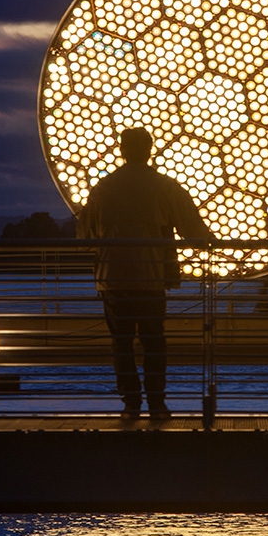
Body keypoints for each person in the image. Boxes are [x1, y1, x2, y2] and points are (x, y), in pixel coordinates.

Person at [77, 128, 214, 419]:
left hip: (113, 277)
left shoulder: (104, 187)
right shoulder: (165, 186)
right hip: (152, 277)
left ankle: (131, 403)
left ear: (122, 150)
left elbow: (85, 235)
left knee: (122, 342)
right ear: (150, 150)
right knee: (154, 340)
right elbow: (193, 229)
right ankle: (157, 403)